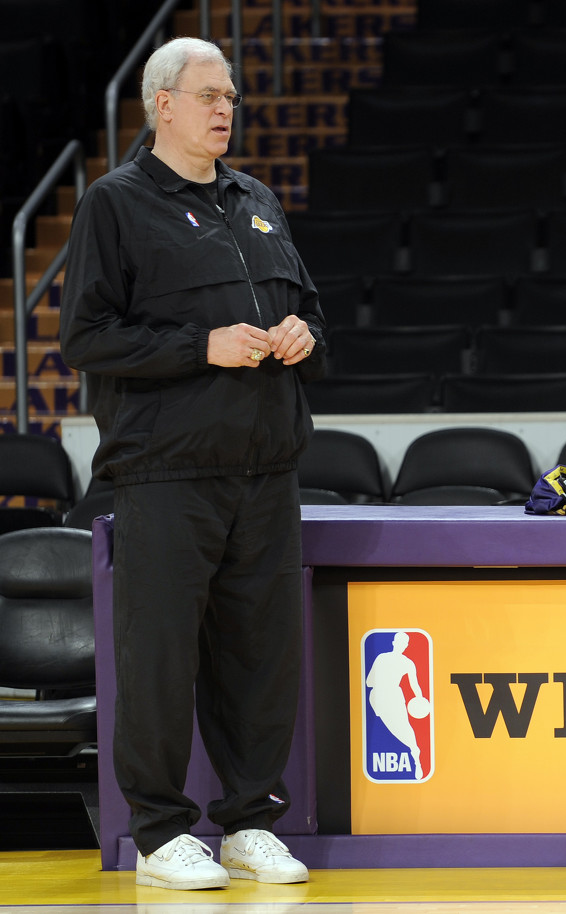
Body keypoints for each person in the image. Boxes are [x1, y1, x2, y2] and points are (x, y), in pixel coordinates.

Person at [60, 37, 325, 889]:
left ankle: (250, 823)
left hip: (266, 468)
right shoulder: (116, 202)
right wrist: (198, 345)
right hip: (167, 471)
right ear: (162, 104)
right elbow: (85, 337)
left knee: (261, 660)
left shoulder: (256, 200)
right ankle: (159, 833)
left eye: (232, 98)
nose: (225, 110)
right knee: (161, 660)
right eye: (210, 95)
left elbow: (311, 310)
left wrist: (304, 333)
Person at [367, 631, 429, 781]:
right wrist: (419, 697)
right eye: (402, 643)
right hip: (381, 697)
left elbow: (369, 682)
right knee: (394, 728)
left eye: (404, 643)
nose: (403, 645)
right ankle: (414, 750)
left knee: (402, 727)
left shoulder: (403, 662)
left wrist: (420, 699)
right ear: (395, 643)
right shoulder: (389, 659)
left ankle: (415, 754)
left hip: (388, 696)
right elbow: (368, 682)